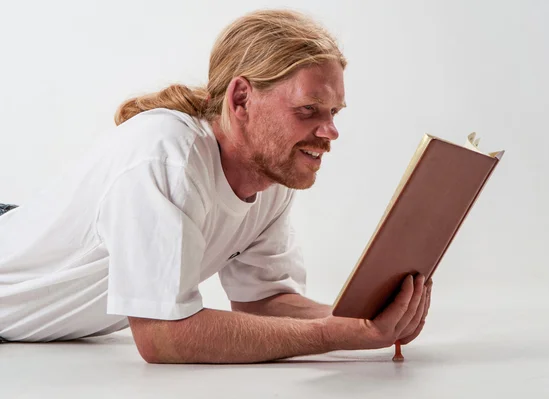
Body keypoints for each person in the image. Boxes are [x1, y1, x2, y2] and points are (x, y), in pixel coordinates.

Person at [0, 9, 432, 362]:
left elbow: (263, 302)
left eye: (335, 112)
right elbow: (163, 336)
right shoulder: (167, 156)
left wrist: (360, 320)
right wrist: (331, 336)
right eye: (309, 109)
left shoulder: (273, 175)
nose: (330, 131)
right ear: (241, 98)